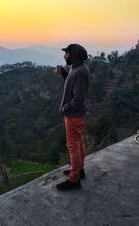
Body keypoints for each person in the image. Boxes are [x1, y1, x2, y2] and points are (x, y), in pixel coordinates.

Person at [56, 43, 90, 191]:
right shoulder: (75, 68)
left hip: (74, 115)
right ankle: (79, 170)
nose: (65, 56)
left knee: (73, 147)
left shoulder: (80, 71)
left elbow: (79, 97)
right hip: (76, 114)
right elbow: (72, 86)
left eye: (67, 53)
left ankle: (74, 179)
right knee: (78, 143)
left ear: (74, 55)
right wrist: (64, 73)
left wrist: (66, 108)